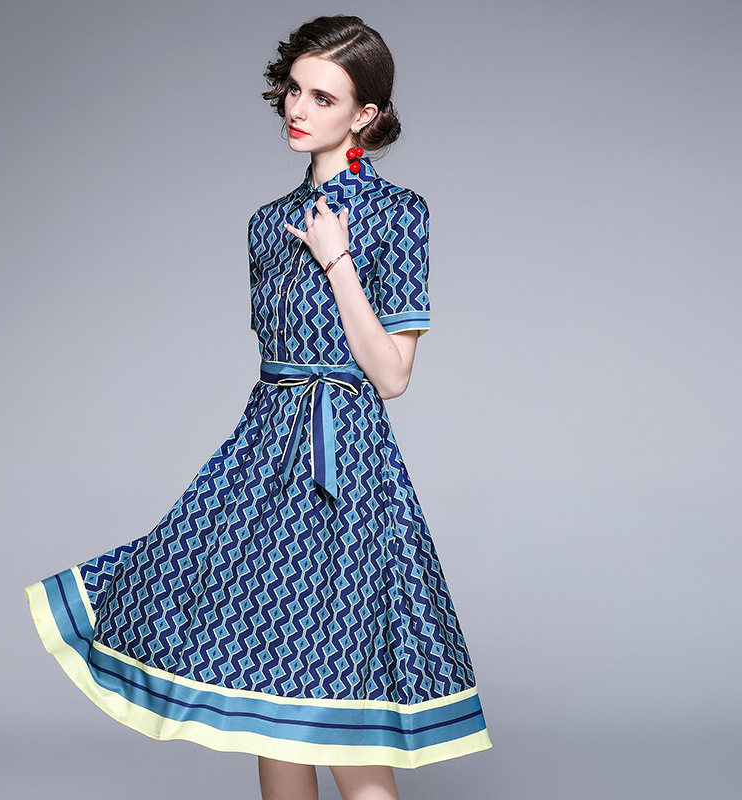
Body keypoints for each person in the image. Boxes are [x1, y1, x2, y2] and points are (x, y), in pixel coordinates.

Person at [24, 14, 491, 800]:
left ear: (365, 115)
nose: (297, 109)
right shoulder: (266, 224)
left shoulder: (398, 213)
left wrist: (339, 260)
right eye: (293, 90)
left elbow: (391, 376)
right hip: (260, 462)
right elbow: (274, 366)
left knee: (341, 701)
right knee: (267, 702)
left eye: (323, 97)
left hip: (344, 474)